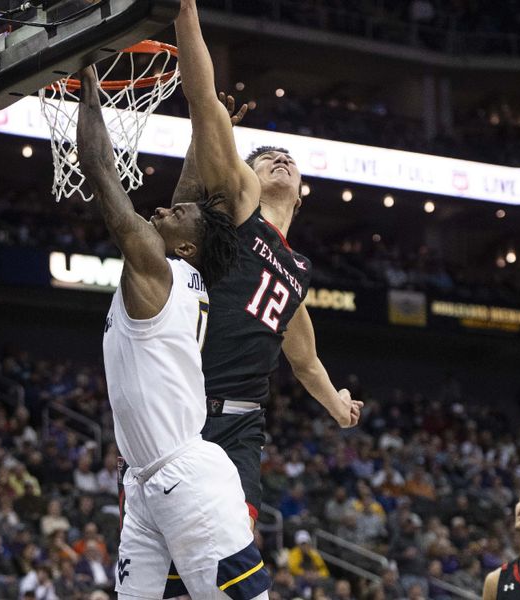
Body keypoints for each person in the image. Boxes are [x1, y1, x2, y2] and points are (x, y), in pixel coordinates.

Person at [77, 64, 269, 600]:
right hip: (143, 483)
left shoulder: (154, 270)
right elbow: (189, 187)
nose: (162, 206)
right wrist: (209, 130)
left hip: (189, 478)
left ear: (185, 246)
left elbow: (99, 170)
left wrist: (88, 90)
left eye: (174, 212)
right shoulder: (183, 270)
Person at [170, 0, 364, 529]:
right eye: (265, 157)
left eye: (289, 159)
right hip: (182, 403)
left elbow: (305, 361)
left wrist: (338, 407)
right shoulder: (239, 208)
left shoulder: (297, 270)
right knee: (168, 560)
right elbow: (204, 103)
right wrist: (186, 13)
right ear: (245, 174)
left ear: (300, 196)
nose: (280, 158)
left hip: (241, 424)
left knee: (238, 546)